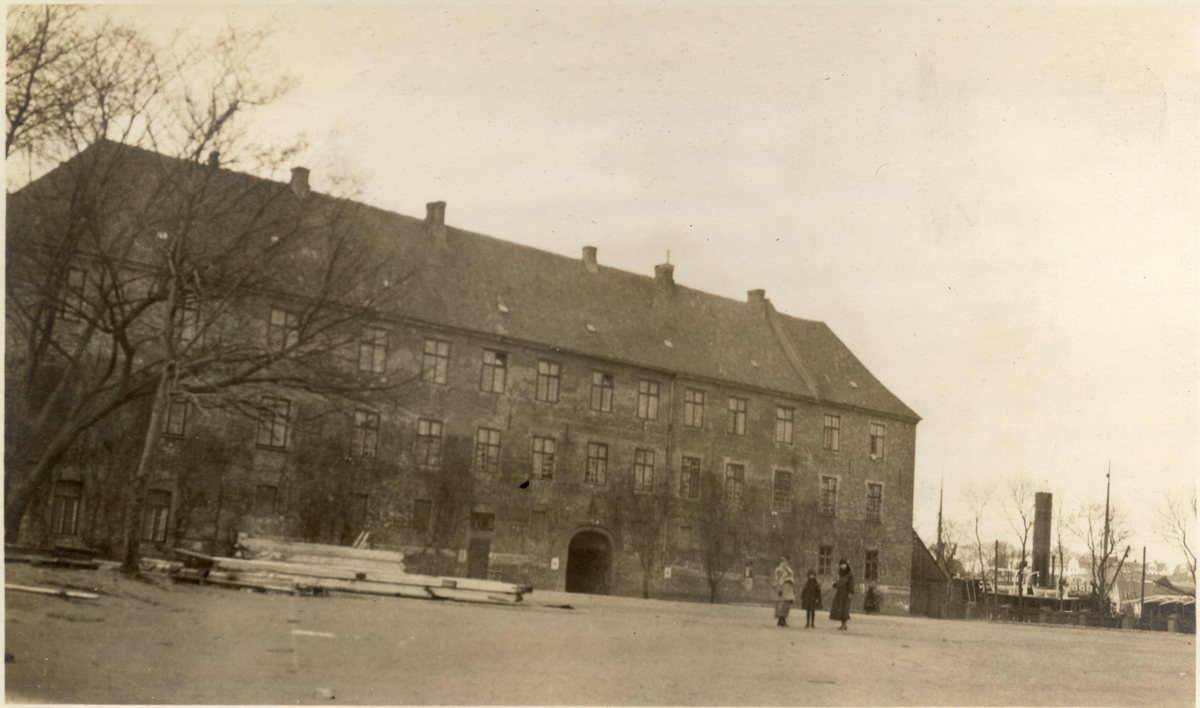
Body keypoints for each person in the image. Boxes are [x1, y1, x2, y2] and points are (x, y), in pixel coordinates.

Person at [830, 558, 854, 631]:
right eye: (842, 565)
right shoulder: (840, 573)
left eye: (844, 564)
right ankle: (842, 625)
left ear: (847, 565)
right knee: (840, 609)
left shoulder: (850, 574)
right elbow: (839, 582)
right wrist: (835, 584)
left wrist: (851, 592)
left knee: (845, 609)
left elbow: (851, 583)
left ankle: (844, 625)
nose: (843, 566)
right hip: (840, 593)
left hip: (846, 593)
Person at [773, 556, 796, 627]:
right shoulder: (779, 570)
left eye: (788, 561)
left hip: (788, 590)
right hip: (782, 589)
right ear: (782, 561)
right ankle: (780, 620)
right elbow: (778, 580)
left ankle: (783, 619)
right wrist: (779, 589)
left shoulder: (789, 570)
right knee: (781, 605)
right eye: (785, 561)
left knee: (786, 605)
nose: (787, 563)